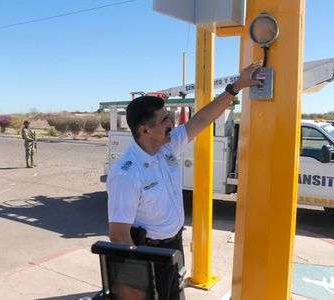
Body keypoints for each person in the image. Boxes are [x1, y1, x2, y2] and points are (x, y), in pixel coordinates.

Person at [106, 61, 263, 299]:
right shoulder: (127, 173)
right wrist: (139, 283)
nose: (172, 124)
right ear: (144, 130)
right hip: (148, 255)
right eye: (164, 120)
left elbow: (202, 120)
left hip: (172, 248)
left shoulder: (166, 147)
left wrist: (236, 87)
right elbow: (118, 235)